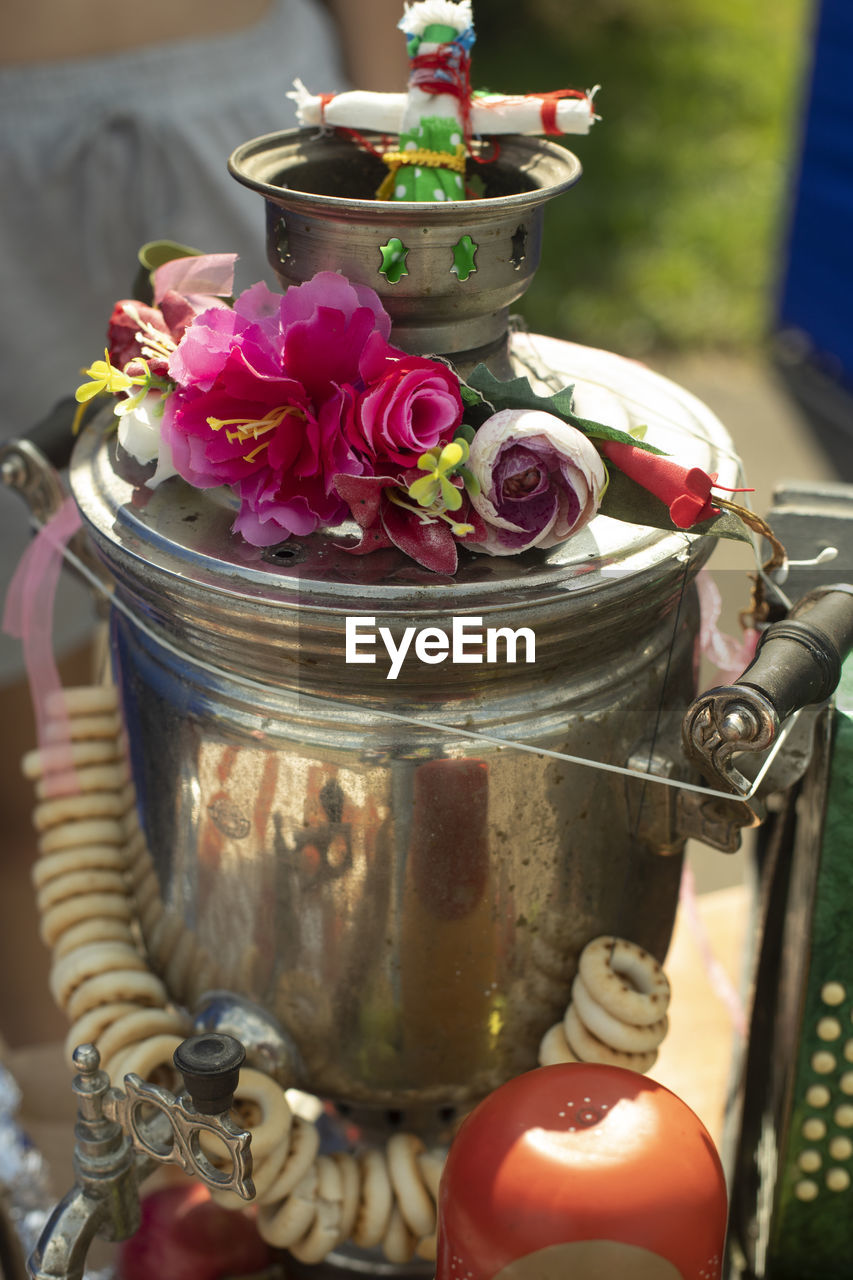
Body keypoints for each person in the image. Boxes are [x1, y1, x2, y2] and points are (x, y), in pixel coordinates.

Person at [0, 0, 408, 1046]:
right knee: (24, 752)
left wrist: (409, 172)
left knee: (297, 719)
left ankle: (307, 1086)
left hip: (251, 125)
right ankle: (71, 1122)